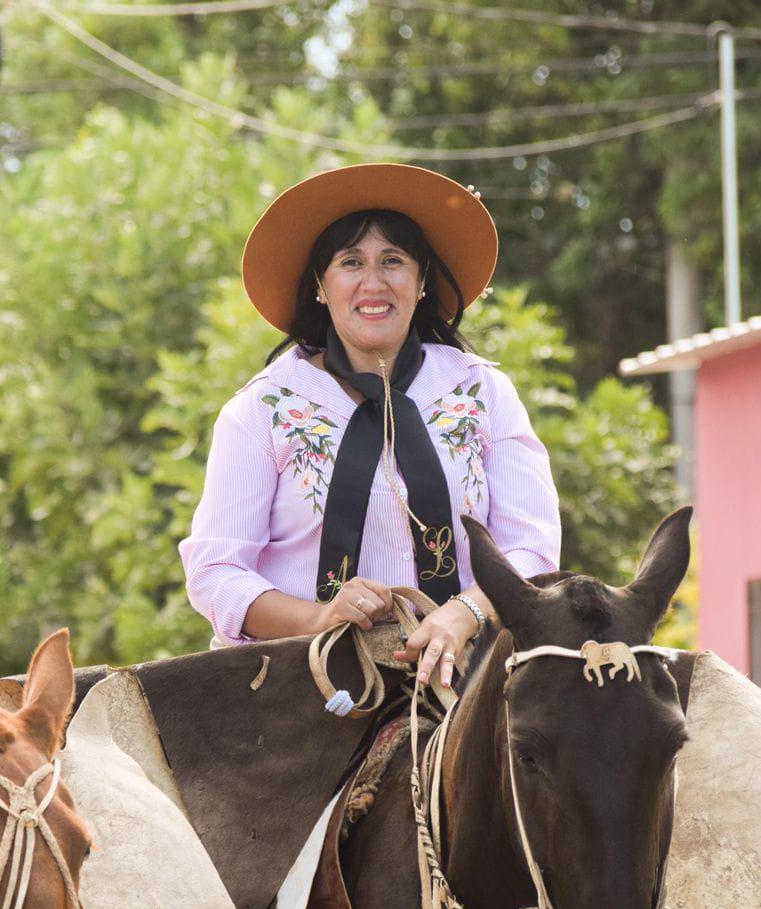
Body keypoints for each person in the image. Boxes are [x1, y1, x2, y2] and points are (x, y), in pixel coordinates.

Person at [180, 163, 560, 687]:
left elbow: (532, 548)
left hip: (472, 675)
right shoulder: (261, 409)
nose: (373, 282)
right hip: (298, 681)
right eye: (351, 261)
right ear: (320, 284)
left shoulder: (483, 392)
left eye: (394, 261)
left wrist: (461, 614)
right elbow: (216, 572)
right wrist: (320, 618)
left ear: (422, 280)